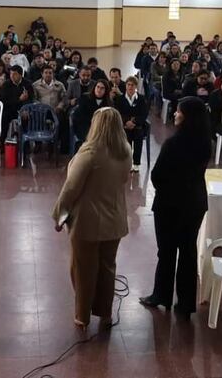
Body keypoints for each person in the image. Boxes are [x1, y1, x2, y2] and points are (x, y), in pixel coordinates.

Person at [52, 108, 131, 329]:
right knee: (108, 268)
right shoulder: (125, 151)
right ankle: (105, 313)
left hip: (88, 221)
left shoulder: (89, 153)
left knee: (83, 269)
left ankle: (82, 316)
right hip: (115, 219)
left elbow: (71, 188)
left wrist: (59, 214)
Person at [140, 97, 211, 317]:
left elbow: (158, 175)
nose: (175, 114)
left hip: (170, 205)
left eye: (179, 111)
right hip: (195, 203)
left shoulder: (173, 143)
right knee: (188, 251)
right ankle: (186, 304)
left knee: (167, 252)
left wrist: (165, 188)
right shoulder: (205, 142)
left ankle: (162, 295)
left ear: (187, 116)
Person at [115, 76, 148, 172]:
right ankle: (127, 162)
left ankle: (136, 163)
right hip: (124, 125)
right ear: (125, 86)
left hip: (137, 126)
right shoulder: (120, 99)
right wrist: (126, 122)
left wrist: (134, 122)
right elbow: (118, 113)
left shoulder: (141, 99)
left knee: (138, 137)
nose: (130, 87)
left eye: (132, 85)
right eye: (128, 85)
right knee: (126, 139)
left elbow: (144, 114)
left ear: (136, 86)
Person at [0, 65, 35, 138]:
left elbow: (31, 99)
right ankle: (2, 141)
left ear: (20, 75)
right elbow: (5, 101)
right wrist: (19, 100)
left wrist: (25, 109)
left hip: (23, 109)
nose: (12, 76)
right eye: (10, 74)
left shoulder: (27, 84)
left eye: (14, 74)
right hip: (11, 109)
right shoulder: (6, 84)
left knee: (29, 116)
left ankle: (26, 143)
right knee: (4, 116)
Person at [74, 80, 113, 144]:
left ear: (106, 91)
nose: (99, 90)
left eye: (102, 88)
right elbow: (79, 116)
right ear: (94, 88)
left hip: (101, 128)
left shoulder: (109, 103)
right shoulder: (85, 98)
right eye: (97, 87)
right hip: (86, 127)